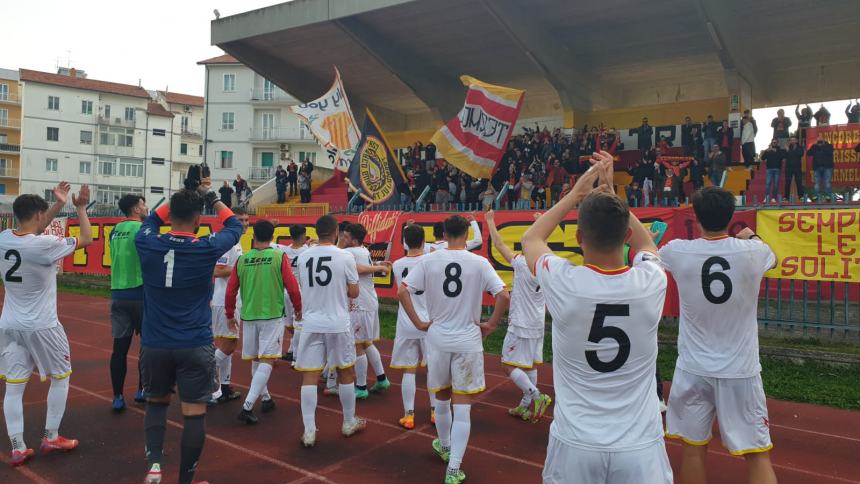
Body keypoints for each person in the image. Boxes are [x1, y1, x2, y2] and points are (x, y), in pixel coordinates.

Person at [522, 151, 672, 484]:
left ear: (578, 238)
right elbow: (647, 241)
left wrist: (575, 195)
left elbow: (531, 238)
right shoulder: (650, 282)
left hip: (576, 446)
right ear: (626, 237)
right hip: (640, 447)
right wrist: (613, 194)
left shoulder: (564, 282)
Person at [660, 186, 778, 484]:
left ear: (696, 217)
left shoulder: (678, 250)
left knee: (692, 451)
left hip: (693, 369)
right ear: (731, 217)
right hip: (740, 371)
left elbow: (650, 252)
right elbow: (772, 257)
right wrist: (750, 235)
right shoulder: (754, 251)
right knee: (758, 454)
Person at [135, 182, 244, 484]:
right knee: (194, 414)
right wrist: (211, 198)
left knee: (156, 403)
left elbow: (152, 221)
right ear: (199, 220)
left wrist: (179, 198)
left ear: (170, 216)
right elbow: (235, 225)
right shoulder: (207, 247)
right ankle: (186, 480)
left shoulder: (146, 241)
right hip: (194, 343)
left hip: (155, 343)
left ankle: (155, 467)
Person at [398, 215, 510, 484]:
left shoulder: (428, 259)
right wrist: (491, 325)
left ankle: (445, 447)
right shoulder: (479, 262)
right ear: (466, 234)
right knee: (463, 406)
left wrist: (418, 322)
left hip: (437, 338)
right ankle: (453, 468)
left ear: (444, 234)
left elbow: (403, 291)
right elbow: (504, 295)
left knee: (443, 399)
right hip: (467, 340)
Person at [0, 182, 93, 467]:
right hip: (42, 325)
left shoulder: (4, 237)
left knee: (14, 388)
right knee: (61, 376)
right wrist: (78, 208)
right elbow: (87, 238)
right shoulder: (44, 245)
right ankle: (51, 436)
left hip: (10, 323)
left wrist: (57, 205)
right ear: (40, 215)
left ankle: (17, 446)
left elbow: (35, 229)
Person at [295, 215, 364, 447]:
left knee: (310, 375)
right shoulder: (345, 256)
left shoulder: (303, 257)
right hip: (338, 323)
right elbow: (354, 292)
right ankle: (347, 421)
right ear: (335, 232)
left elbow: (304, 286)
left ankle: (309, 430)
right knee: (346, 372)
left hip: (312, 322)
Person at [226, 220, 302, 424]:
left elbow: (231, 288)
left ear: (253, 236)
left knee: (257, 360)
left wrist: (229, 313)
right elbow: (292, 286)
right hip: (272, 315)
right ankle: (248, 405)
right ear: (272, 237)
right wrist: (299, 308)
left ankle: (266, 398)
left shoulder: (243, 259)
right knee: (268, 359)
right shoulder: (278, 256)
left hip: (249, 315)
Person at [485, 210, 552, 423]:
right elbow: (542, 244)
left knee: (507, 365)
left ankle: (537, 396)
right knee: (529, 366)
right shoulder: (546, 264)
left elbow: (498, 244)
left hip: (521, 324)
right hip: (537, 324)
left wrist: (490, 221)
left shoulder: (521, 263)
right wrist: (542, 223)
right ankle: (525, 406)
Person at [390, 224, 437, 429]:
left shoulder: (397, 264)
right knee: (433, 370)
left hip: (407, 321)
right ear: (424, 242)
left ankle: (409, 415)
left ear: (404, 243)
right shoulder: (432, 261)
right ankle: (436, 411)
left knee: (408, 371)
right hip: (429, 322)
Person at [342, 223, 392, 399]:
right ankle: (381, 378)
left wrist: (378, 267)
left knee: (357, 345)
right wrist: (378, 264)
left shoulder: (352, 252)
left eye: (346, 237)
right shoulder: (362, 250)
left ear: (354, 240)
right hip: (367, 302)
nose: (343, 239)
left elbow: (359, 268)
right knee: (366, 342)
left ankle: (361, 387)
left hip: (360, 305)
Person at [109, 194, 148, 412]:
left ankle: (117, 396)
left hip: (118, 294)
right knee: (147, 344)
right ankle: (142, 390)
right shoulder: (142, 229)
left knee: (119, 349)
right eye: (143, 204)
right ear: (135, 208)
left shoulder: (114, 231)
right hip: (141, 293)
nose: (146, 207)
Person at [208, 207, 250, 406]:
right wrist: (245, 266)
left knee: (228, 344)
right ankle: (204, 376)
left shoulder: (235, 241)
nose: (244, 224)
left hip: (230, 299)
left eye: (246, 220)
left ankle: (224, 387)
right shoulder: (228, 243)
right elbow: (217, 270)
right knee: (230, 344)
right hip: (225, 300)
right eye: (240, 220)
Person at [275, 224, 309, 362]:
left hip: (285, 291)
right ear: (303, 236)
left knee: (288, 323)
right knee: (299, 323)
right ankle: (297, 356)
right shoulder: (307, 251)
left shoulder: (284, 251)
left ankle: (291, 350)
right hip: (299, 290)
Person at [806, 133, 834, 202]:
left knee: (827, 182)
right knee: (817, 183)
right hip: (817, 167)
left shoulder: (829, 145)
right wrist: (814, 145)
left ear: (824, 140)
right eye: (818, 140)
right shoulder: (815, 146)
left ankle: (828, 196)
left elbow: (830, 152)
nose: (820, 142)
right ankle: (816, 196)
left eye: (821, 140)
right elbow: (808, 153)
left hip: (827, 167)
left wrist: (824, 145)